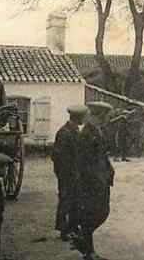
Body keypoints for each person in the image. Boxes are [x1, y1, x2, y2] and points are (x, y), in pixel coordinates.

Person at [75, 101, 115, 260]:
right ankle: (87, 249)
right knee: (97, 213)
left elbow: (102, 156)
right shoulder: (86, 134)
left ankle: (86, 248)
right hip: (92, 182)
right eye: (104, 117)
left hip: (101, 179)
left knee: (99, 212)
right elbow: (84, 162)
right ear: (97, 116)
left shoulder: (96, 131)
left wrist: (109, 171)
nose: (106, 120)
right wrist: (96, 179)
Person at [52, 104, 87, 242]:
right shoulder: (64, 132)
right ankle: (63, 230)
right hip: (66, 173)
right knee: (65, 200)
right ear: (77, 117)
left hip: (74, 172)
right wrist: (69, 172)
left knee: (76, 200)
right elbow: (59, 156)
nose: (83, 120)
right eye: (82, 117)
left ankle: (73, 227)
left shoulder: (73, 130)